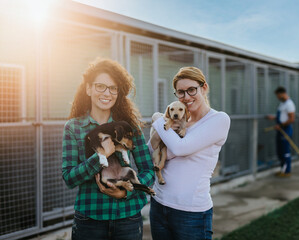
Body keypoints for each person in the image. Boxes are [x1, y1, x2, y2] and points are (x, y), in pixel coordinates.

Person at [62, 58, 155, 240]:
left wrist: (127, 191)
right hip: (90, 220)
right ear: (88, 89)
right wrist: (101, 156)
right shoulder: (73, 128)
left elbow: (148, 170)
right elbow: (69, 178)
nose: (107, 93)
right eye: (100, 86)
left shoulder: (129, 127)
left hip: (128, 218)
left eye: (113, 88)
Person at [148, 66, 231, 240]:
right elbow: (151, 151)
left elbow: (180, 148)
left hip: (190, 213)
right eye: (180, 92)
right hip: (159, 204)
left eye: (191, 90)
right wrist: (161, 125)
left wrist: (157, 119)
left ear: (204, 88)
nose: (186, 97)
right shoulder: (177, 122)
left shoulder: (218, 120)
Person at [267, 86, 296, 177]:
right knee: (280, 151)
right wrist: (274, 117)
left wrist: (280, 125)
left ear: (282, 94)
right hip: (280, 130)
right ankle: (282, 170)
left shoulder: (289, 104)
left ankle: (287, 171)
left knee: (285, 152)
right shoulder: (282, 104)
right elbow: (283, 116)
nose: (277, 97)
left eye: (278, 95)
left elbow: (291, 119)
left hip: (285, 130)